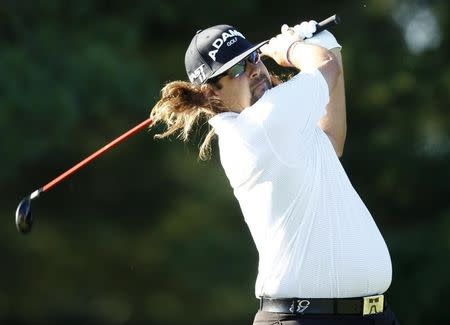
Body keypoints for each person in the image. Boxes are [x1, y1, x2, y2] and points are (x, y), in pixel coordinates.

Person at [150, 20, 400, 325]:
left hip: (371, 318)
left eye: (254, 56)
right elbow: (327, 68)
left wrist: (329, 44)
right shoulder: (260, 125)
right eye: (239, 68)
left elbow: (331, 138)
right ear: (211, 94)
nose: (255, 69)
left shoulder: (280, 126)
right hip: (304, 319)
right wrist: (290, 48)